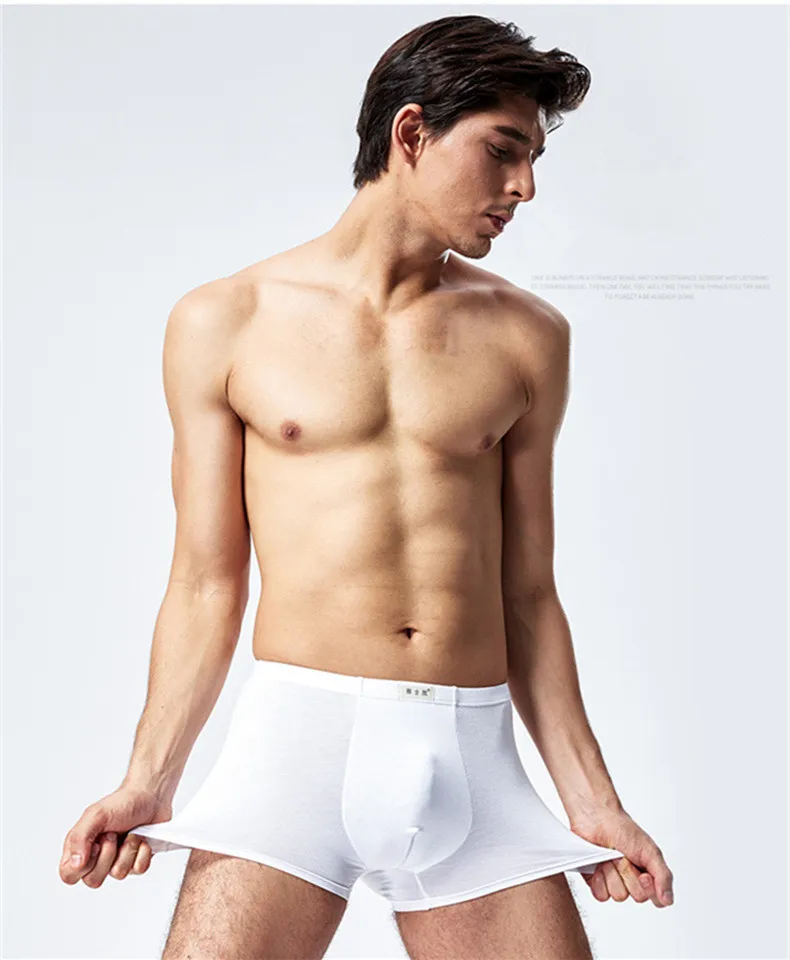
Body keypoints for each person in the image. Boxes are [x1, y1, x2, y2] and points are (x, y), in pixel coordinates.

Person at [59, 13, 674, 959]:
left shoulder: (529, 337)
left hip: (473, 758)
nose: (525, 187)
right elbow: (205, 580)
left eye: (533, 159)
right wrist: (149, 777)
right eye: (502, 150)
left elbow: (527, 593)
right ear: (412, 132)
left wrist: (594, 802)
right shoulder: (226, 320)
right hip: (294, 755)